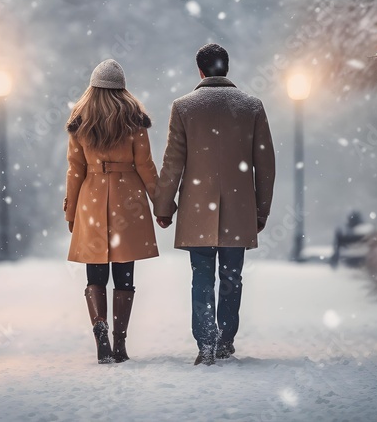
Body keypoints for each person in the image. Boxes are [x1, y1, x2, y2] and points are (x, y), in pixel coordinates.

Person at [154, 43, 276, 365]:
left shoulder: (183, 108)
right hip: (239, 210)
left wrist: (164, 206)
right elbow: (265, 164)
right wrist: (260, 210)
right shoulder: (252, 107)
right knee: (232, 276)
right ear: (226, 68)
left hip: (197, 209)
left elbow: (172, 162)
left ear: (200, 71)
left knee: (202, 276)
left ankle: (205, 342)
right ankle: (225, 339)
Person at [63, 59, 160, 364]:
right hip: (127, 197)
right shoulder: (134, 119)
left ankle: (101, 337)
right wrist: (162, 203)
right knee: (124, 273)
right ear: (122, 88)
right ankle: (120, 344)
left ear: (93, 88)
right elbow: (145, 165)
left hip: (90, 196)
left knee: (95, 272)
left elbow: (74, 170)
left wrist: (70, 212)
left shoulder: (81, 120)